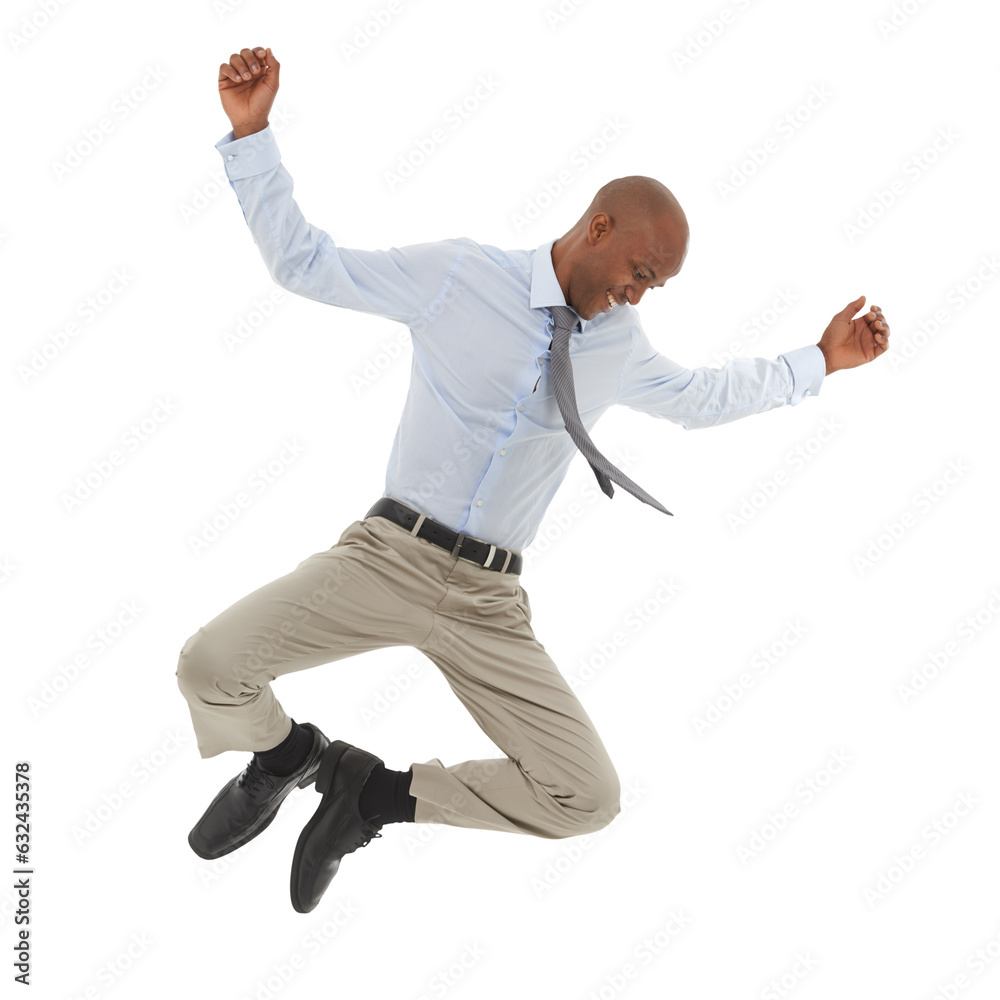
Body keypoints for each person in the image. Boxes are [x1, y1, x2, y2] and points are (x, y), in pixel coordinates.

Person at [177, 45, 891, 914]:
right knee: (210, 666)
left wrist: (820, 361)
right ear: (599, 229)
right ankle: (287, 758)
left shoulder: (620, 346)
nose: (639, 296)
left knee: (587, 797)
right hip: (385, 559)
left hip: (488, 602)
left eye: (656, 286)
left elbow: (702, 398)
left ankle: (371, 796)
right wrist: (253, 135)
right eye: (640, 273)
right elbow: (308, 264)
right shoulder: (459, 276)